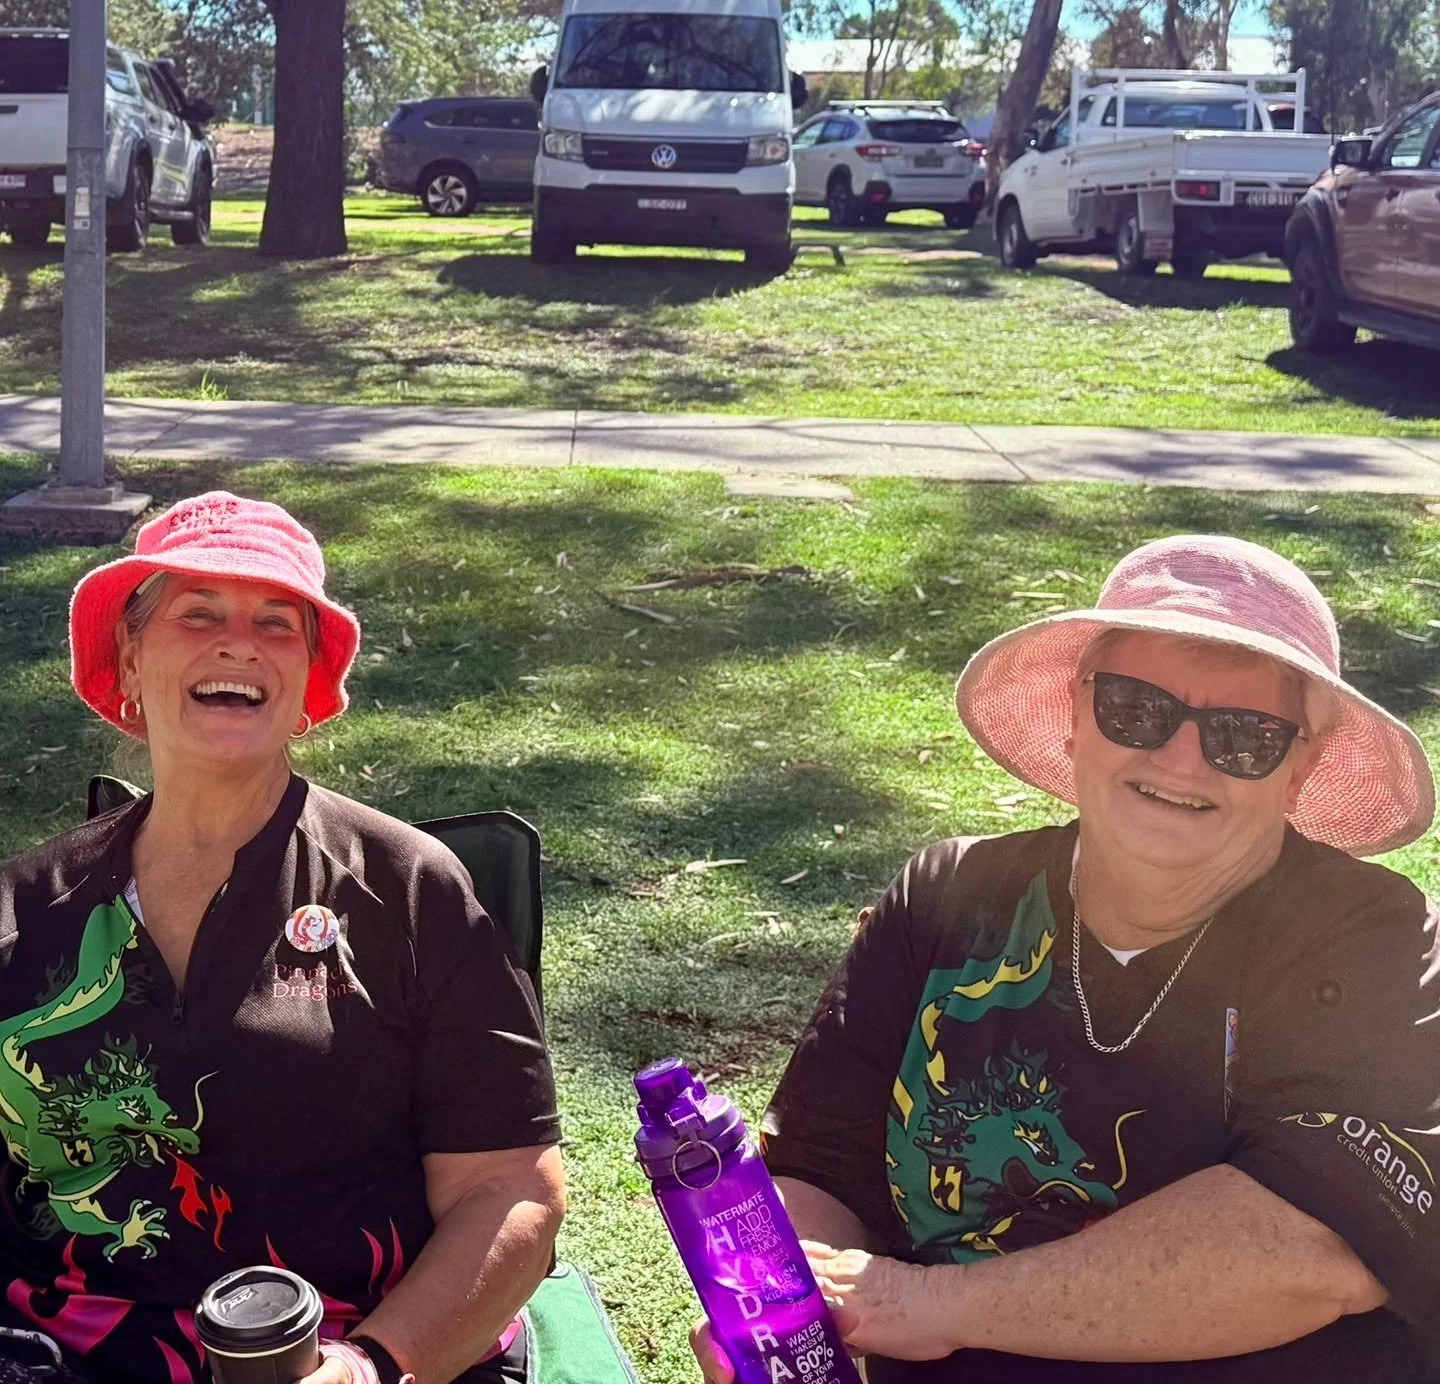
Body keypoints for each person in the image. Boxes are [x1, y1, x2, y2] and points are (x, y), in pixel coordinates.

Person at [696, 534, 1440, 1382]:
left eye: (1245, 735)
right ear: (1075, 714)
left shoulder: (1374, 937)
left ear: (1302, 764)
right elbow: (819, 1168)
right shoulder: (948, 895)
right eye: (1136, 709)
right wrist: (784, 1314)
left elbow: (1317, 1242)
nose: (1180, 757)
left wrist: (932, 1306)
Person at [0, 492, 564, 1384]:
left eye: (277, 622)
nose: (239, 642)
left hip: (349, 1345)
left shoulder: (408, 889)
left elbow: (508, 1189)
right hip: (67, 1349)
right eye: (199, 614)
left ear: (307, 683)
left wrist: (374, 1365)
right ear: (132, 661)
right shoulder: (24, 909)